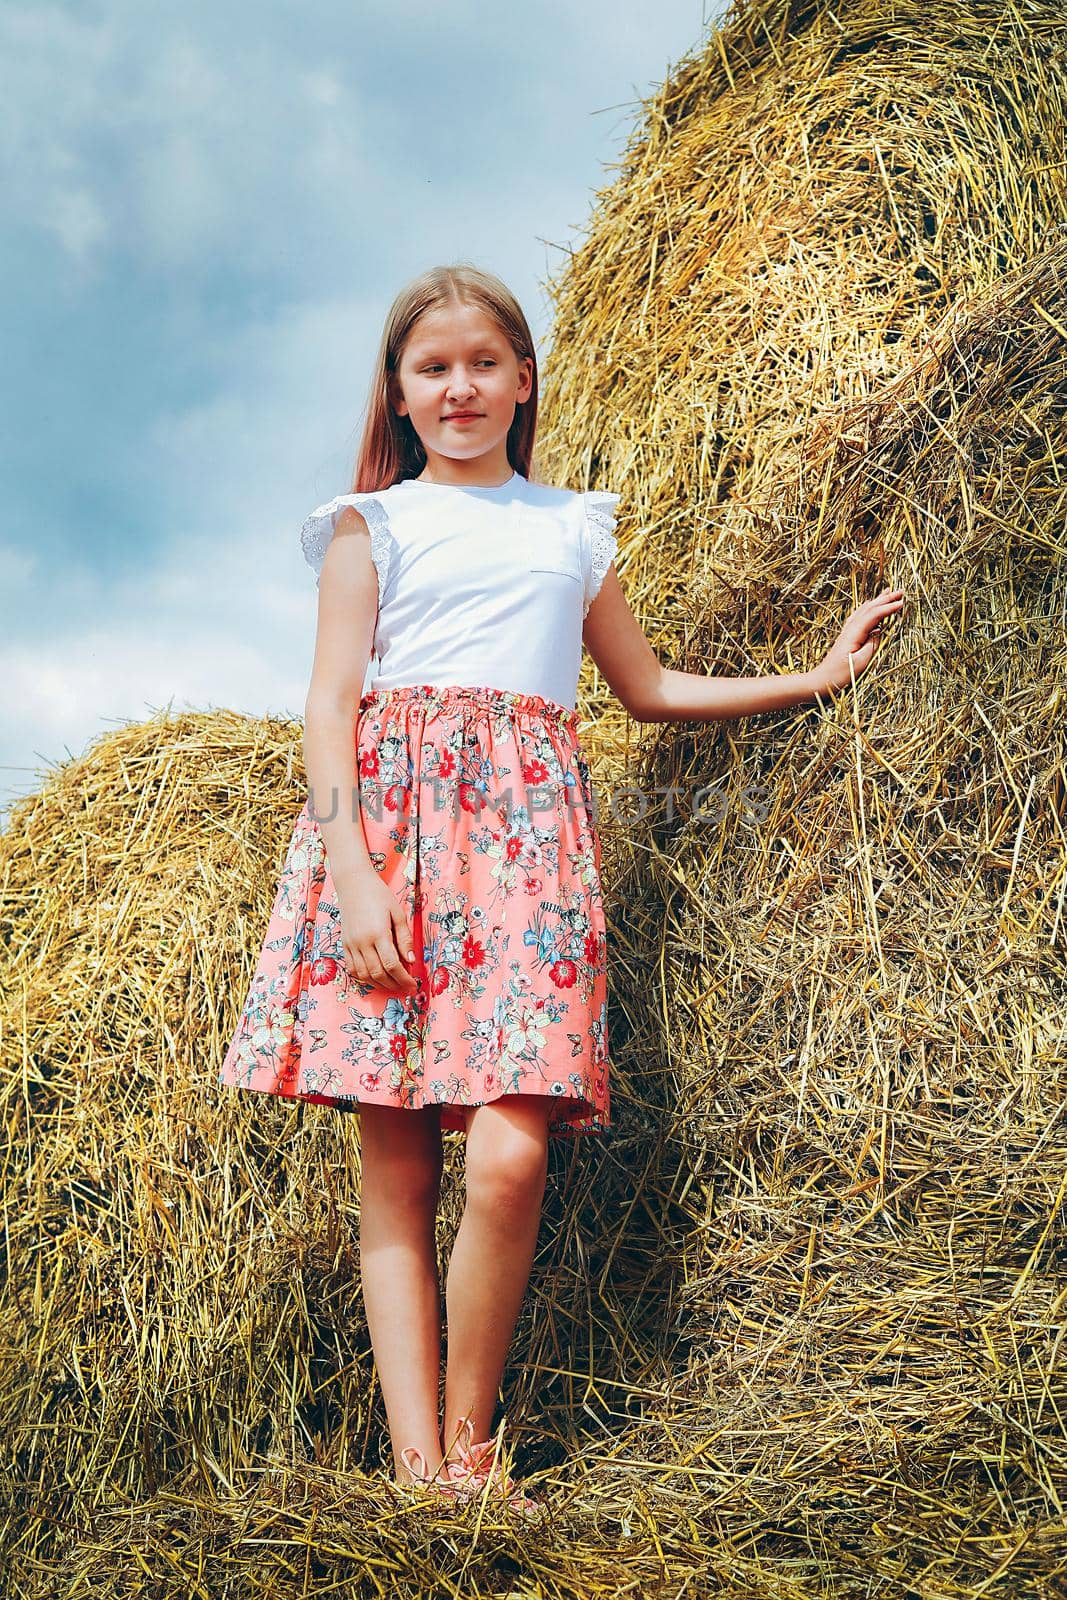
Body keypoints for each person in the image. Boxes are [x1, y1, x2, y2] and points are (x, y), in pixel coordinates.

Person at [218, 262, 904, 1516]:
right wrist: (353, 874)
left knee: (508, 1158)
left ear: (523, 380)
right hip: (388, 850)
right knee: (397, 1171)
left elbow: (644, 688)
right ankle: (421, 1473)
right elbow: (325, 713)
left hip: (528, 856)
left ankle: (471, 1447)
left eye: (483, 362)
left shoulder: (569, 528)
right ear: (400, 393)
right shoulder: (370, 527)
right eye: (433, 368)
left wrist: (811, 679)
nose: (460, 385)